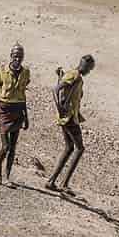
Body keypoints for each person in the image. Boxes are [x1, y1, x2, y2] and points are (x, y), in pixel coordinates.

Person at [46, 54, 95, 193]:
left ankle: (51, 181)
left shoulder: (73, 75)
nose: (89, 72)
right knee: (79, 148)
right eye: (89, 69)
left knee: (69, 147)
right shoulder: (74, 75)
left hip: (68, 117)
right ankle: (64, 183)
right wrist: (59, 108)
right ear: (85, 66)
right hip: (69, 119)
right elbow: (56, 90)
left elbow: (62, 88)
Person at [0, 43, 31, 185]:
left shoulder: (26, 73)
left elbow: (23, 94)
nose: (18, 59)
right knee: (5, 146)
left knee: (13, 146)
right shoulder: (2, 71)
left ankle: (7, 176)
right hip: (4, 109)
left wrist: (26, 116)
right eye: (15, 56)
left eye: (20, 57)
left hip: (18, 110)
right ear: (11, 56)